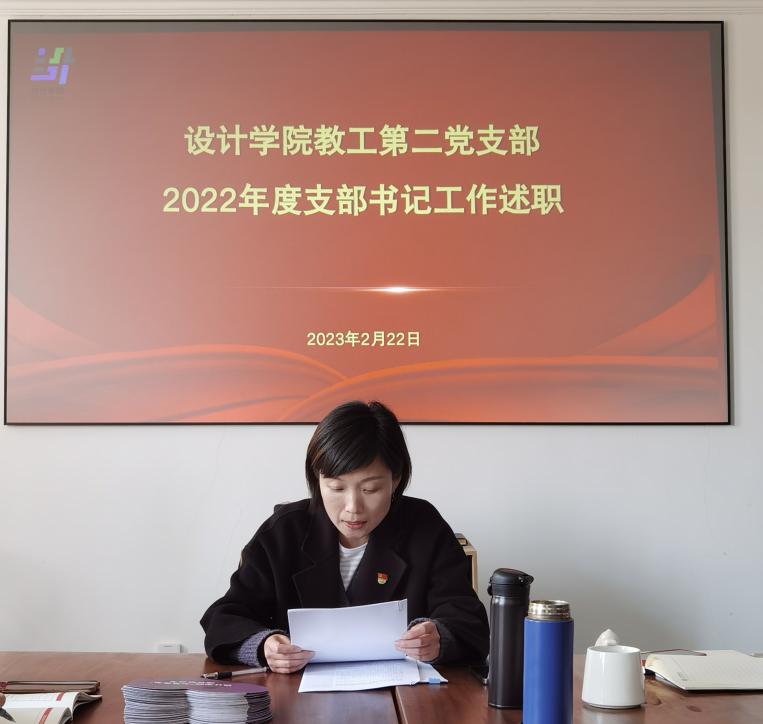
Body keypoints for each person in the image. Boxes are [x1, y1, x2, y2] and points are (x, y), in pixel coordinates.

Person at [201, 400, 489, 673]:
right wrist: (264, 645)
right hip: (297, 694)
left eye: (370, 489)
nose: (353, 507)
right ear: (318, 479)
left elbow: (468, 620)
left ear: (396, 479)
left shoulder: (424, 527)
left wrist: (437, 638)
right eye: (337, 488)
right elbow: (225, 618)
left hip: (405, 694)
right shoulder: (283, 532)